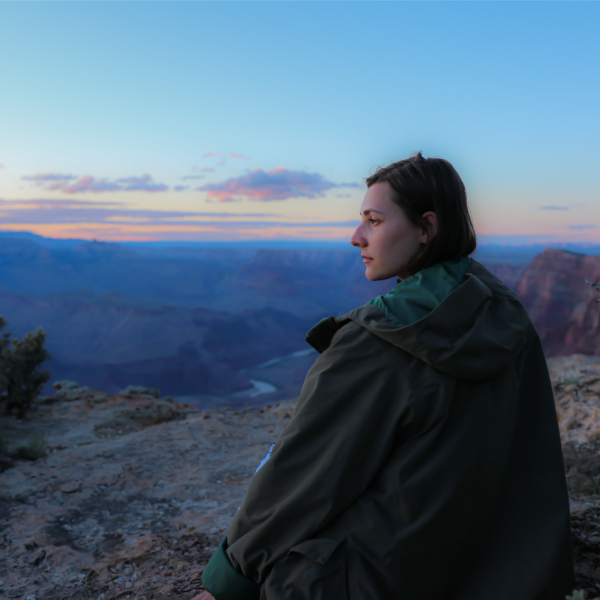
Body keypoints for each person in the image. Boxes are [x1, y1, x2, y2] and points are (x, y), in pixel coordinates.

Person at [193, 152, 574, 600]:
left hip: (384, 578)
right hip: (505, 569)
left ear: (426, 228)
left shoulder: (378, 341)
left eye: (373, 220)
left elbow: (304, 479)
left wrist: (228, 581)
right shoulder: (504, 311)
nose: (356, 237)